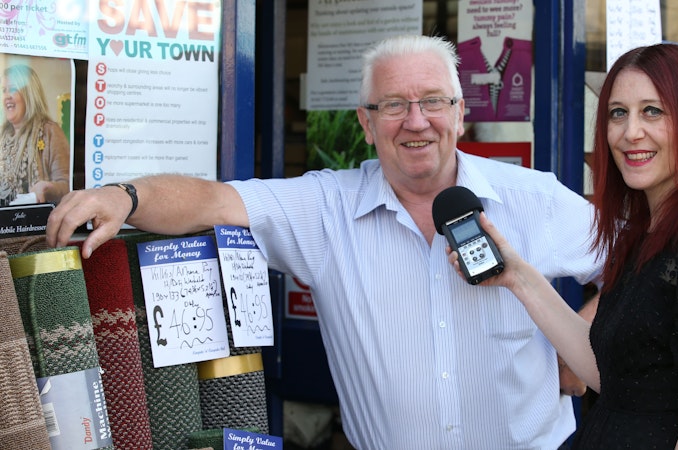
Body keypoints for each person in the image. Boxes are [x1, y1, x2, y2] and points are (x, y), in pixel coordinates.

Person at [47, 34, 603, 449]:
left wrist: (584, 344)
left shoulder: (536, 199)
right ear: (365, 122)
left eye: (433, 101)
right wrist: (127, 196)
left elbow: (638, 260)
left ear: (460, 113)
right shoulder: (325, 207)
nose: (415, 121)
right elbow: (211, 200)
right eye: (392, 105)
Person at [448, 43, 678, 450]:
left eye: (652, 111)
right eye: (618, 113)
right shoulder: (646, 232)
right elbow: (612, 375)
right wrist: (517, 276)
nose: (630, 131)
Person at [0, 64, 70, 206]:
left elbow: (67, 185)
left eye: (13, 89)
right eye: (3, 90)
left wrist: (48, 188)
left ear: (29, 93)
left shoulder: (50, 131)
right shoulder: (2, 134)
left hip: (35, 219)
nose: (6, 96)